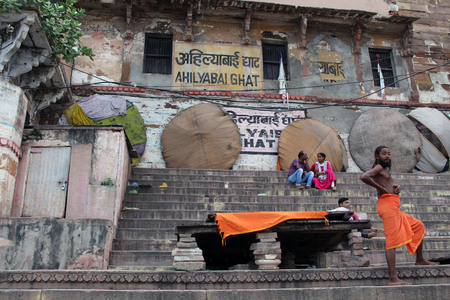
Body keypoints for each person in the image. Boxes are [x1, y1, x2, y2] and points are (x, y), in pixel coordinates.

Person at [360, 145, 435, 285]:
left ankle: (419, 260)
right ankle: (393, 278)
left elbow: (386, 184)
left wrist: (395, 188)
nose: (388, 156)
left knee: (418, 226)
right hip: (387, 206)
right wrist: (381, 188)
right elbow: (363, 176)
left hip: (393, 205)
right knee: (392, 240)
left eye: (389, 153)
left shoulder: (384, 170)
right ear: (377, 156)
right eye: (384, 154)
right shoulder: (378, 168)